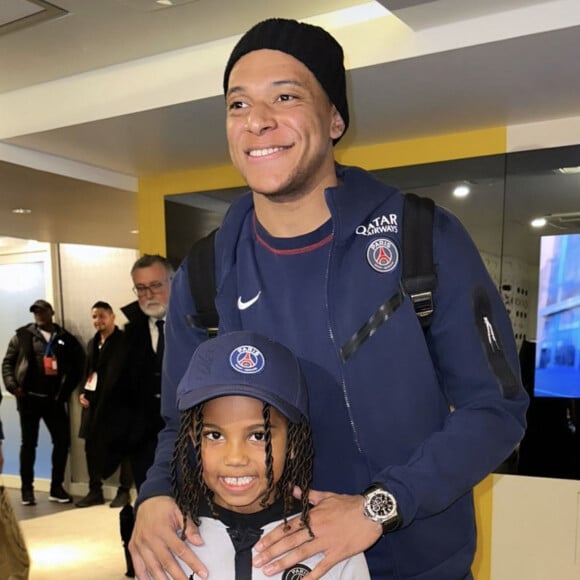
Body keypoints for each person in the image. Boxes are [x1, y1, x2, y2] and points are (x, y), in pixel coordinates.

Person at [130, 18, 529, 580]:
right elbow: (182, 421)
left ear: (335, 118)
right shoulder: (204, 270)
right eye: (238, 105)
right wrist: (154, 495)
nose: (258, 121)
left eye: (286, 96)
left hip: (415, 565)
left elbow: (496, 412)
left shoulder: (421, 238)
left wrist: (376, 508)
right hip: (268, 565)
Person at [171, 330, 370, 578]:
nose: (235, 458)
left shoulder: (332, 539)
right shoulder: (169, 540)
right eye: (214, 435)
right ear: (193, 439)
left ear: (293, 443)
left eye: (258, 436)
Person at [108, 254, 174, 577]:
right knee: (149, 507)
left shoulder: (198, 325)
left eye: (155, 286)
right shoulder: (128, 336)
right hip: (144, 442)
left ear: (172, 283)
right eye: (140, 288)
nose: (148, 295)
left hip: (190, 437)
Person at [1, 299, 84, 506]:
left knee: (62, 441)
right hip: (28, 399)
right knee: (29, 444)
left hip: (54, 400)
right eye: (35, 312)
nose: (39, 315)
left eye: (42, 311)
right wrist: (13, 386)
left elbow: (77, 366)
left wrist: (64, 393)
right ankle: (27, 490)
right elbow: (8, 363)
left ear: (51, 312)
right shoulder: (22, 336)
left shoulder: (65, 338)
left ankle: (56, 487)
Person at [77, 301, 133, 508]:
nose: (98, 321)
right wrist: (83, 392)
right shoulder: (93, 343)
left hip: (118, 405)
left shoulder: (124, 341)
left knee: (124, 447)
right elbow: (88, 373)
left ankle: (124, 490)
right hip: (93, 404)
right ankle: (95, 490)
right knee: (91, 446)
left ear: (112, 317)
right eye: (94, 317)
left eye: (102, 316)